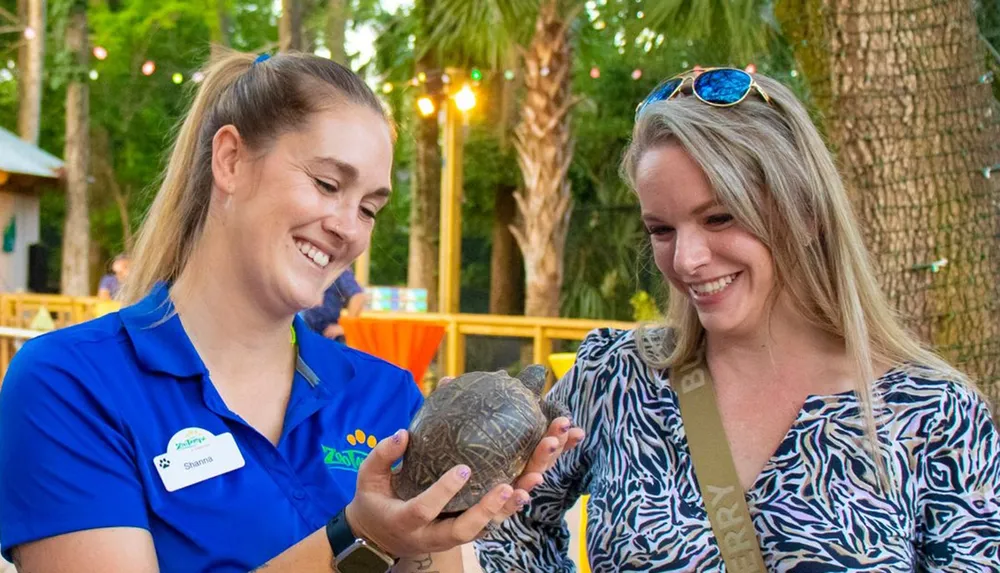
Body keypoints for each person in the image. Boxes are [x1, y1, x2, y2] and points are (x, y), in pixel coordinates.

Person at [0, 50, 582, 573]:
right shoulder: (72, 383)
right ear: (229, 160)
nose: (347, 228)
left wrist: (433, 527)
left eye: (370, 208)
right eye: (328, 183)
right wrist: (359, 541)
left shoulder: (387, 397)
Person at [476, 68, 1000, 571]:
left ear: (806, 212)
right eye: (662, 229)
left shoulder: (934, 414)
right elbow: (503, 527)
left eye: (719, 217)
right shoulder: (616, 377)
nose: (686, 259)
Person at [303, 267, 365, 342]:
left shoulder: (338, 270)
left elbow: (358, 297)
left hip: (327, 335)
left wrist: (344, 327)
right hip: (309, 331)